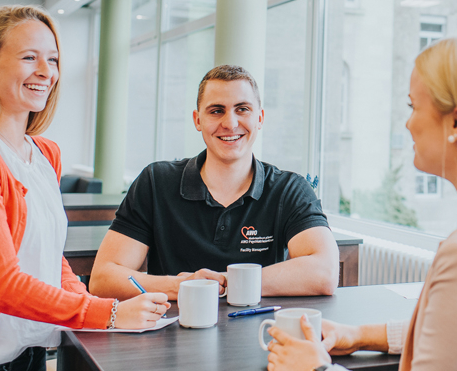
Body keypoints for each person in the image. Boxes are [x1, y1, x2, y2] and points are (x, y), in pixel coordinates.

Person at [265, 33, 457, 371]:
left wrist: (316, 368)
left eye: (413, 106)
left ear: (456, 122)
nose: (408, 123)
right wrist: (359, 335)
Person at [0, 5, 170, 371]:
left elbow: (49, 259)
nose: (46, 72)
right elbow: (3, 285)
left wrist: (105, 310)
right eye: (29, 57)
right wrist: (107, 312)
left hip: (32, 351)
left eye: (53, 59)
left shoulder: (45, 153)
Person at [89, 65, 340, 301]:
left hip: (260, 329)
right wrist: (182, 286)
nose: (230, 123)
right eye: (217, 110)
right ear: (197, 120)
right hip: (173, 329)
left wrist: (226, 282)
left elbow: (325, 273)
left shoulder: (289, 189)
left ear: (260, 118)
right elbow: (102, 279)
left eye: (242, 109)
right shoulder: (156, 182)